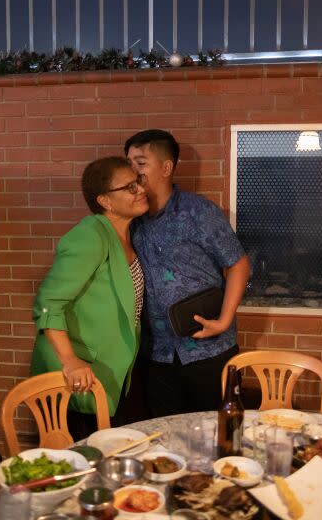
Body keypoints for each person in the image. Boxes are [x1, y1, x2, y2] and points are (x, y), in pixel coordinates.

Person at [125, 129, 251, 417]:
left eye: (140, 163)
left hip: (209, 348)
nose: (132, 171)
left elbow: (238, 265)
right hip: (156, 353)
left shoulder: (198, 212)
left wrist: (223, 321)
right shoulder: (131, 218)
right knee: (163, 437)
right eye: (129, 163)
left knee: (216, 434)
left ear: (166, 168)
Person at [30, 156, 149, 440]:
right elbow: (48, 303)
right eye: (130, 187)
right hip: (79, 375)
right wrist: (70, 360)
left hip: (111, 370)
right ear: (105, 201)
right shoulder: (90, 236)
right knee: (84, 462)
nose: (141, 190)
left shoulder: (125, 235)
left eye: (139, 182)